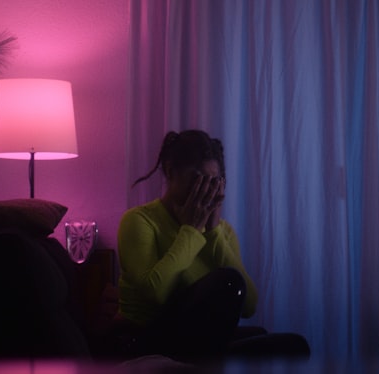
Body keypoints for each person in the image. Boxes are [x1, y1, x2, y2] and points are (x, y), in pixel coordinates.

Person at [118, 130, 287, 361]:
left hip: (197, 339)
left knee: (288, 345)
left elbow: (249, 305)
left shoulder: (223, 232)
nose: (205, 189)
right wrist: (192, 230)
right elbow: (154, 295)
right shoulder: (139, 220)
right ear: (170, 171)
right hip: (144, 336)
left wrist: (214, 233)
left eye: (213, 181)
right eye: (197, 179)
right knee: (228, 282)